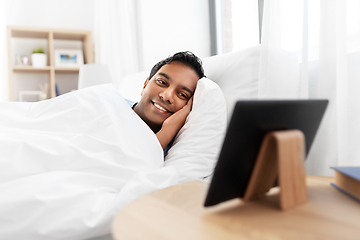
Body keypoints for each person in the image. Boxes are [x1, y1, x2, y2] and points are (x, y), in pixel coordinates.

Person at [131, 51, 205, 151]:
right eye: (162, 82)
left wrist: (169, 129)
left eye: (182, 95)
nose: (167, 96)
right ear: (145, 84)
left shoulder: (177, 150)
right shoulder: (108, 107)